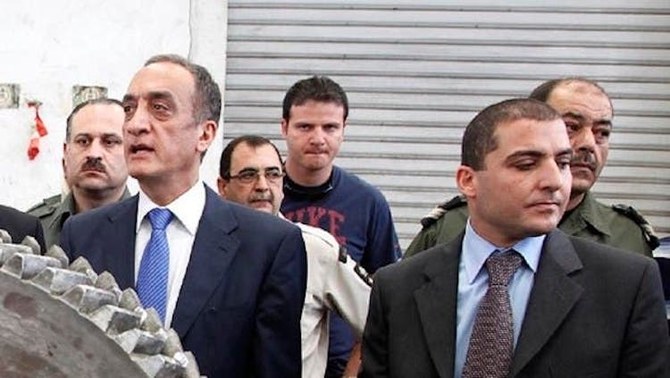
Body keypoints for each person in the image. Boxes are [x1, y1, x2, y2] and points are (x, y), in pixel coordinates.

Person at [361, 98, 669, 377]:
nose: (554, 181)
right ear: (468, 181)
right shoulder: (398, 287)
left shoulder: (626, 285)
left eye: (562, 163)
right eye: (526, 165)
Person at [59, 54, 307, 377]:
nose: (136, 125)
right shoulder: (82, 235)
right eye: (130, 109)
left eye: (159, 108)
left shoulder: (268, 245)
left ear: (205, 134)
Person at [405, 77, 658, 258]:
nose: (588, 144)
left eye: (602, 132)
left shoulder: (627, 237)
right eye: (571, 127)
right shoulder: (452, 227)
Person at [217, 135, 373, 377]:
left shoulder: (315, 248)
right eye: (248, 175)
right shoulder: (205, 248)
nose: (262, 185)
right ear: (222, 187)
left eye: (273, 174)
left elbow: (379, 324)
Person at [279, 75, 402, 376]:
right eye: (305, 126)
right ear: (284, 128)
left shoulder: (368, 203)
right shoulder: (259, 195)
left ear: (344, 131)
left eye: (330, 127)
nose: (318, 138)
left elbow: (385, 303)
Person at [28, 98, 130, 248]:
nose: (94, 154)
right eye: (83, 141)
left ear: (132, 150)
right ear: (66, 151)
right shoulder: (33, 228)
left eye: (109, 142)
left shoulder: (147, 230)